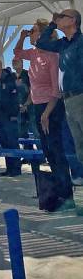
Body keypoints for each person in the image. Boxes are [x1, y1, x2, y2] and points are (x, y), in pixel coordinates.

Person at [14, 20, 73, 207]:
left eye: (33, 31)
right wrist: (22, 37)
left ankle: (66, 193)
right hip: (39, 106)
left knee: (56, 150)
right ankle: (57, 190)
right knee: (48, 150)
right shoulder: (33, 54)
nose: (31, 33)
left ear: (42, 35)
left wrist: (46, 113)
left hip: (52, 106)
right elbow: (17, 53)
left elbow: (57, 90)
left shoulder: (52, 56)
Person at [36, 10, 83, 169]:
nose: (58, 18)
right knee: (79, 147)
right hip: (68, 101)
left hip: (80, 96)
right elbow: (41, 43)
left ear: (73, 20)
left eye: (62, 16)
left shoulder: (81, 42)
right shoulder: (62, 44)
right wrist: (51, 25)